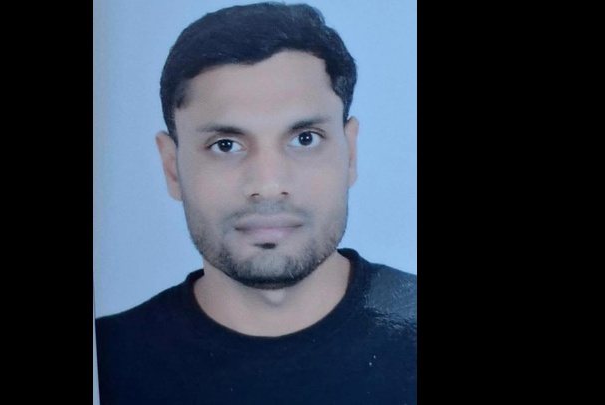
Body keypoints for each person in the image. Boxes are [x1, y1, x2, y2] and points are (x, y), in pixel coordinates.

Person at [95, 2, 416, 404]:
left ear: (350, 154)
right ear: (172, 167)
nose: (268, 185)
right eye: (225, 145)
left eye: (305, 139)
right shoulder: (106, 358)